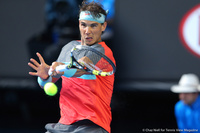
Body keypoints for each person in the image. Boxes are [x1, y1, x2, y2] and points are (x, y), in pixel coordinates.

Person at [28, 1, 116, 133]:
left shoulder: (103, 52)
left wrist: (59, 68)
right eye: (83, 25)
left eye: (93, 26)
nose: (87, 31)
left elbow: (79, 70)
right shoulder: (69, 47)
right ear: (79, 24)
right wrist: (44, 77)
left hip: (92, 125)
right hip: (64, 124)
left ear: (103, 26)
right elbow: (48, 83)